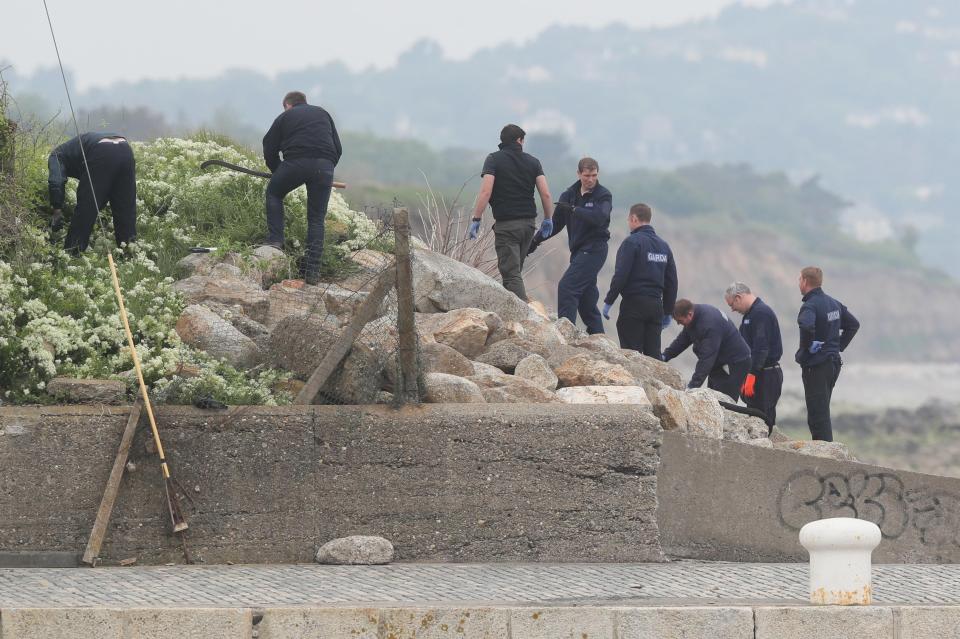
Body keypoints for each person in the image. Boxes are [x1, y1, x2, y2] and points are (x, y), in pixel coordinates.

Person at [262, 91, 342, 285]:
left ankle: (275, 241)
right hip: (325, 166)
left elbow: (268, 146)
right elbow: (337, 148)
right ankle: (312, 273)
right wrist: (325, 169)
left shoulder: (285, 116)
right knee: (316, 219)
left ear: (288, 105)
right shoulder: (323, 114)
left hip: (296, 162)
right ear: (304, 102)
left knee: (274, 193)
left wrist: (278, 171)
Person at [469, 124, 554, 300]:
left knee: (511, 274)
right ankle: (513, 317)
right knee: (513, 274)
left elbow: (486, 191)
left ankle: (526, 318)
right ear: (519, 140)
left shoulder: (493, 160)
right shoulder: (533, 162)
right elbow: (545, 193)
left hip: (507, 227)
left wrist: (476, 218)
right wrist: (548, 218)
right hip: (528, 226)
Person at [527, 157, 611, 334]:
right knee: (587, 301)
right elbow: (556, 224)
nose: (590, 179)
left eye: (594, 175)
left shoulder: (603, 195)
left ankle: (565, 336)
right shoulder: (569, 195)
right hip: (579, 251)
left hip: (595, 249)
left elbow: (599, 218)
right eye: (587, 175)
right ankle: (599, 337)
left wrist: (575, 210)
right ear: (579, 173)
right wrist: (534, 241)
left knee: (567, 287)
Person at [601, 203, 678, 357]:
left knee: (632, 355)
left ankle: (635, 382)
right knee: (653, 357)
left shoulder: (632, 242)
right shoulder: (664, 246)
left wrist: (609, 301)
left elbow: (621, 275)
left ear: (634, 218)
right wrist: (667, 311)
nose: (629, 223)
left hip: (634, 305)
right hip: (656, 306)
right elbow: (672, 282)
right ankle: (655, 382)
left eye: (629, 220)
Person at [796, 266, 860, 442]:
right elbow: (853, 325)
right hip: (833, 364)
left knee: (818, 414)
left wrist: (807, 346)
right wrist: (837, 346)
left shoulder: (810, 306)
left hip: (816, 365)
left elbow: (807, 326)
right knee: (822, 409)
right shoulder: (833, 303)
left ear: (805, 281)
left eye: (799, 279)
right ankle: (824, 448)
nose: (798, 283)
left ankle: (824, 453)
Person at [48, 132, 136, 254]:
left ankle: (72, 254)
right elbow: (103, 189)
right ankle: (128, 252)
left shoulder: (55, 156)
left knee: (85, 209)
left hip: (102, 151)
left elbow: (56, 181)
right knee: (126, 209)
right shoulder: (75, 148)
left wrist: (57, 209)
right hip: (125, 148)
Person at [663, 299, 752, 400]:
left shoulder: (709, 324)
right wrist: (665, 356)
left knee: (725, 400)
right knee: (713, 398)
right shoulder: (694, 317)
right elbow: (682, 341)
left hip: (735, 363)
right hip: (719, 362)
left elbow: (707, 358)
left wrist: (692, 386)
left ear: (689, 314)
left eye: (680, 321)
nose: (679, 324)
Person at [725, 282, 783, 431]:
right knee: (754, 418)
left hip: (766, 374)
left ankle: (766, 452)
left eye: (732, 305)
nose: (732, 309)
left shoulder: (761, 313)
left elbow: (761, 348)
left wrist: (752, 374)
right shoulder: (749, 315)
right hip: (758, 373)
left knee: (764, 419)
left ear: (738, 297)